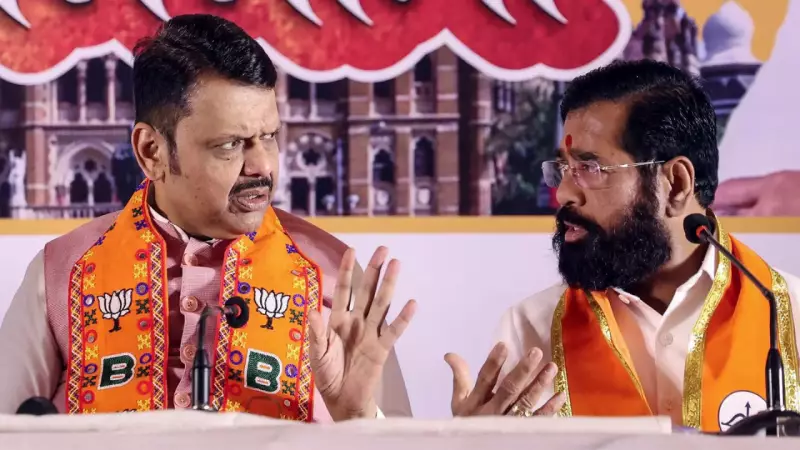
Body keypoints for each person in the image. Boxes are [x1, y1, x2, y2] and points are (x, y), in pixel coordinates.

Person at [0, 14, 416, 422]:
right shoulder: (63, 272)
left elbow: (397, 437)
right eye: (230, 144)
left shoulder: (333, 275)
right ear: (151, 152)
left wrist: (358, 416)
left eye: (269, 137)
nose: (262, 166)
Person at [465, 59, 800, 431]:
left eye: (589, 168)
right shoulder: (532, 330)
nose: (563, 194)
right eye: (562, 170)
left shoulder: (788, 315)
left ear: (675, 183)